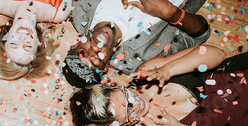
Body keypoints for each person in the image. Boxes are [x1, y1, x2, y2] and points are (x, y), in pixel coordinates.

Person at [69, 45, 248, 126]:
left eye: (127, 95)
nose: (137, 103)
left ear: (113, 88)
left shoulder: (146, 73)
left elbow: (217, 54)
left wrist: (166, 70)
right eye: (129, 111)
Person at [63, 0, 210, 86]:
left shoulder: (78, 9)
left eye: (84, 52)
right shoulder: (145, 58)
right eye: (96, 60)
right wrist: (173, 14)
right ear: (107, 66)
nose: (96, 48)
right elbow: (200, 35)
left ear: (76, 44)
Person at [0, 0, 72, 80]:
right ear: (38, 42)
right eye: (28, 46)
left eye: (14, 43)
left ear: (6, 36)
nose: (22, 38)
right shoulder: (60, 13)